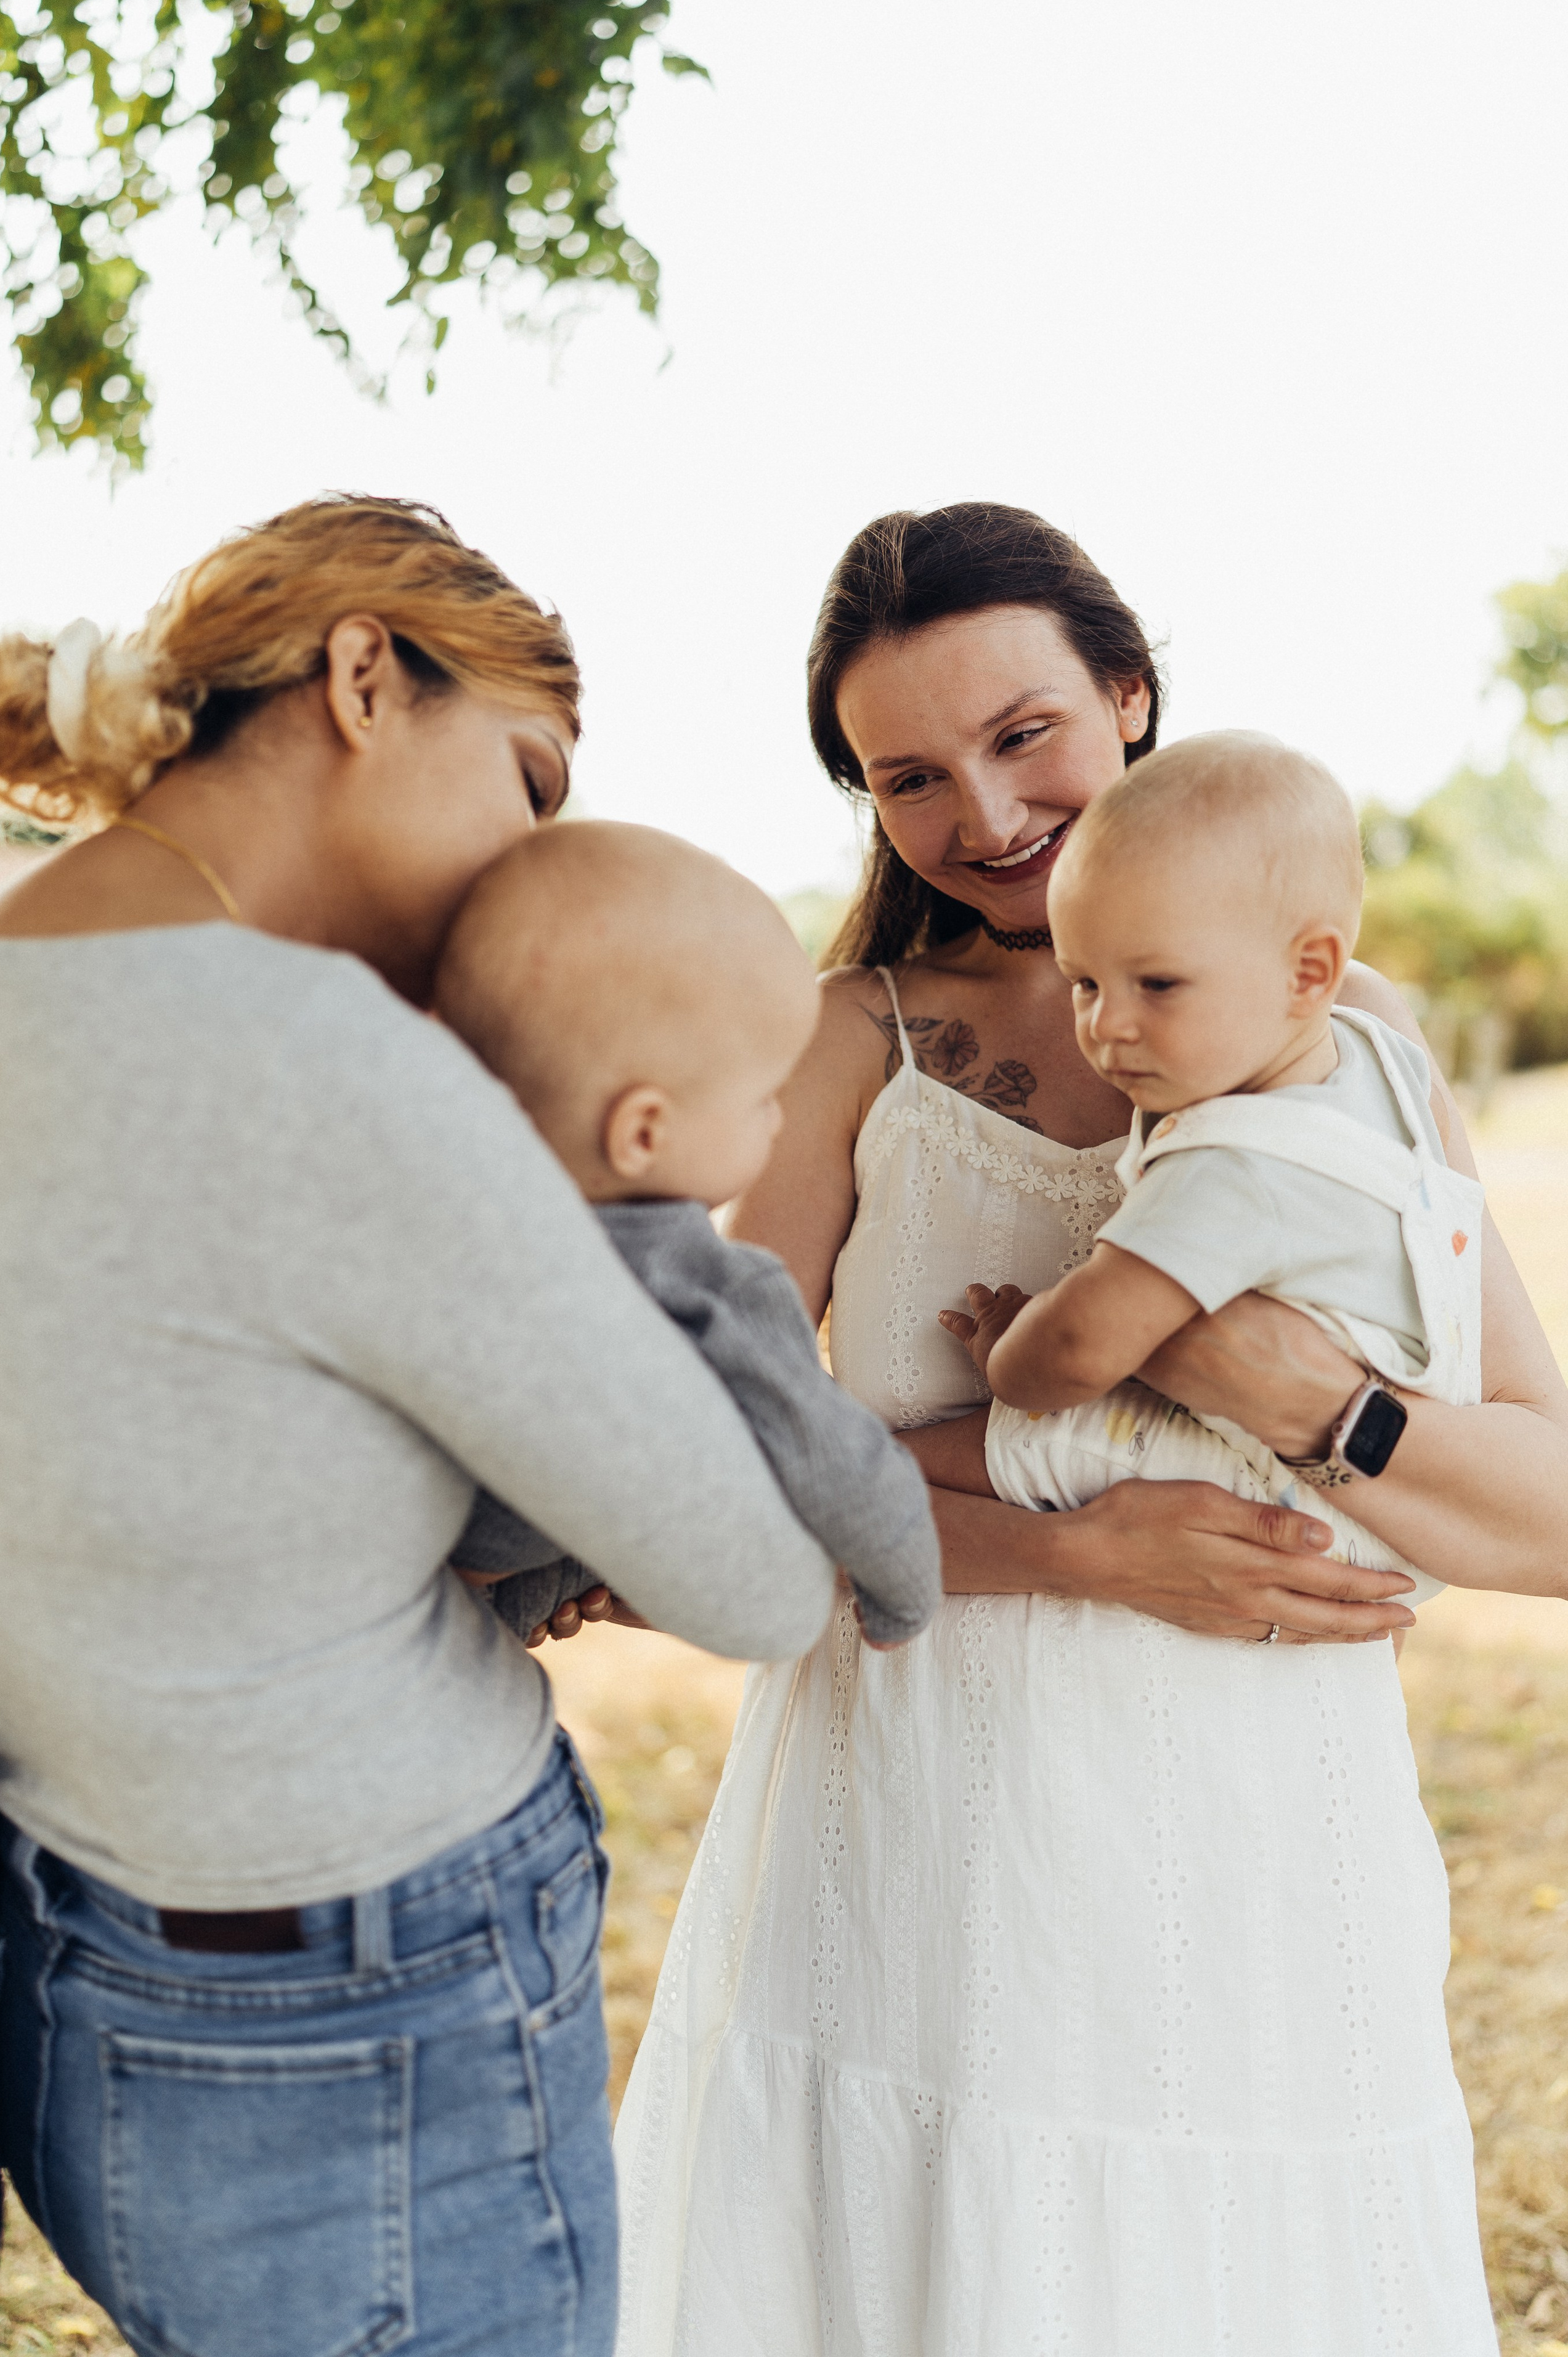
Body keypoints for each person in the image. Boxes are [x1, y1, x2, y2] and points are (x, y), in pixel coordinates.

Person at [612, 503, 1568, 2354]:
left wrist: (1314, 1401)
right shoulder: (845, 1046)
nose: (979, 812)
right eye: (908, 774)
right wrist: (1074, 1551)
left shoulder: (1350, 1048)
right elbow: (711, 1464)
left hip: (1266, 1834)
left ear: (1128, 697)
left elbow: (1553, 1506)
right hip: (918, 1833)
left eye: (1022, 732)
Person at [0, 495, 837, 2357]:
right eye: (528, 782)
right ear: (366, 678)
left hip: (76, 1972)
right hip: (373, 1997)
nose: (533, 861)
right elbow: (759, 1585)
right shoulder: (343, 1068)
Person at [927, 729, 1471, 1611]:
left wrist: (1007, 1351)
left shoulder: (1236, 1163)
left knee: (948, 1455)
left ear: (1309, 972)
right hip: (1407, 1492)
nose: (1108, 1025)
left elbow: (1080, 1347)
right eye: (1086, 984)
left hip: (1287, 1500)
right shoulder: (1376, 1059)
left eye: (1158, 986)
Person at [433, 821, 941, 1650]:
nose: (778, 1121)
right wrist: (904, 1592)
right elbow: (833, 1459)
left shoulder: (441, 1222)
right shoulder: (701, 1279)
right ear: (643, 1132)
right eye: (758, 1100)